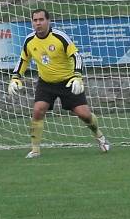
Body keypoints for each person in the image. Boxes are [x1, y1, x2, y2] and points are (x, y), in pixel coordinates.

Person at [7, 8, 111, 159]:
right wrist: (16, 77)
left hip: (68, 81)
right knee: (37, 110)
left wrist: (77, 76)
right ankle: (35, 150)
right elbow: (23, 59)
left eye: (41, 20)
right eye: (35, 20)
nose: (38, 23)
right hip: (46, 83)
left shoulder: (60, 37)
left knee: (84, 114)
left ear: (48, 21)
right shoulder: (29, 40)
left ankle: (99, 136)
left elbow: (76, 56)